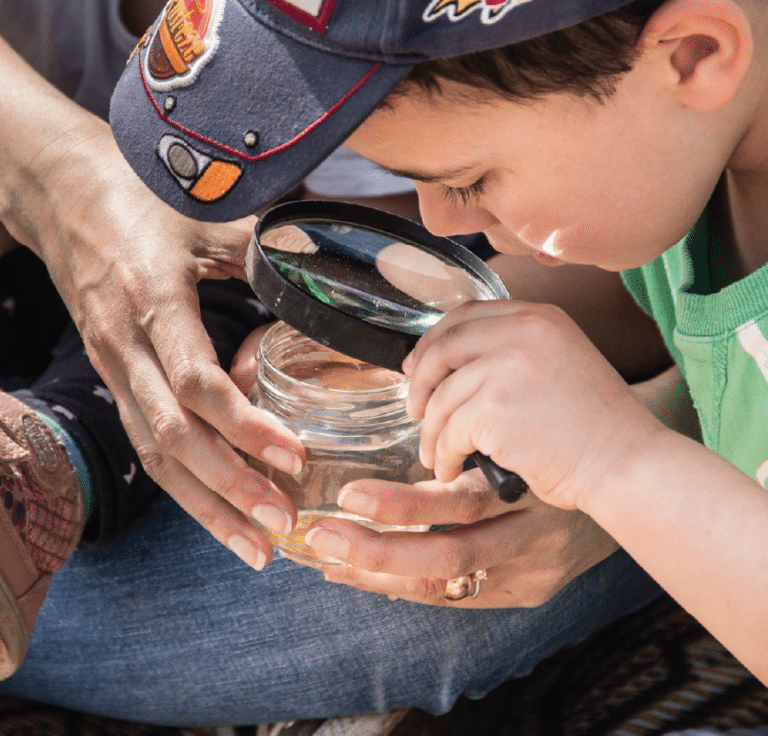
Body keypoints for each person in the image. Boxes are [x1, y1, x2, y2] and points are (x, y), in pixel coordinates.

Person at [103, 0, 768, 698]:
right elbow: (678, 301)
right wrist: (443, 333)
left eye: (469, 180)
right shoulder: (679, 165)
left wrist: (618, 463)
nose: (440, 220)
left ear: (694, 54)